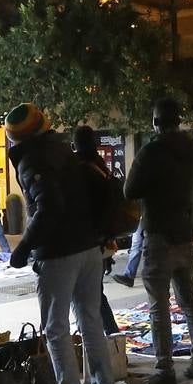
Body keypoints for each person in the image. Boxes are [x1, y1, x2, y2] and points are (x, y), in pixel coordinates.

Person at [7, 107, 117, 384]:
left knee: (56, 328)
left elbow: (48, 206)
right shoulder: (62, 149)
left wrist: (24, 247)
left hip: (59, 252)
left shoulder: (33, 159)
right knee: (90, 320)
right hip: (88, 247)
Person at [125, 98, 193, 384]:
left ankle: (164, 372)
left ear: (156, 122)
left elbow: (130, 189)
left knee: (158, 306)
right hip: (183, 234)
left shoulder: (151, 151)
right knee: (189, 300)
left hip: (159, 233)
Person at [72, 126, 122, 340]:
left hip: (85, 242)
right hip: (101, 242)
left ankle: (93, 343)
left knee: (84, 297)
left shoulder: (79, 171)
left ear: (75, 146)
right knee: (96, 294)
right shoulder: (101, 167)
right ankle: (113, 339)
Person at [111, 221, 144, 288]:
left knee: (137, 246)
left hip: (146, 216)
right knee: (136, 245)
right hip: (142, 217)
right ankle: (129, 276)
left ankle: (129, 276)